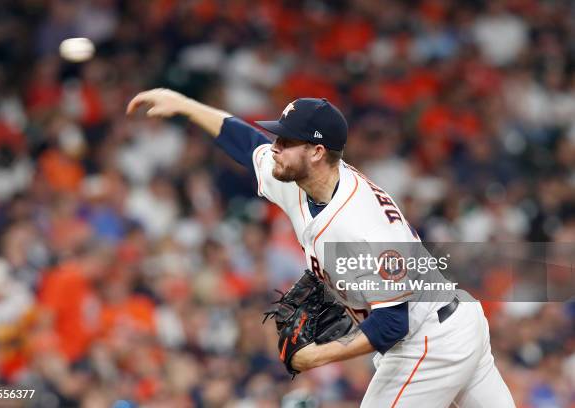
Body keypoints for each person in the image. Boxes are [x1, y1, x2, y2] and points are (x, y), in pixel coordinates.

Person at [126, 89, 515, 407]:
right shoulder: (299, 179)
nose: (276, 146)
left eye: (287, 140)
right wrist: (187, 106)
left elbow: (394, 324)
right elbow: (246, 144)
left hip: (428, 339)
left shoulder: (359, 223)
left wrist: (315, 355)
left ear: (316, 152)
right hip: (452, 317)